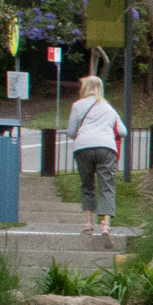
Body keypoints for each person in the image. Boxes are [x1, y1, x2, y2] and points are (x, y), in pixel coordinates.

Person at [65, 74, 127, 235]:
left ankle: (87, 223)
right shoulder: (108, 107)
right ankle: (105, 225)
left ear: (85, 88)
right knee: (107, 186)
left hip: (83, 148)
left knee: (87, 185)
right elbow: (122, 131)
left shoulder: (78, 105)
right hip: (106, 148)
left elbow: (71, 132)